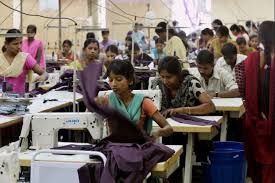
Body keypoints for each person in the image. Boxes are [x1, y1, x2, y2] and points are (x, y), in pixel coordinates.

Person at [235, 21, 275, 183]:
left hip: (255, 121)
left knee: (259, 165)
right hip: (269, 123)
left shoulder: (250, 61)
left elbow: (242, 87)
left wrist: (255, 111)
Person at [96, 60, 173, 139]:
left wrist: (158, 132)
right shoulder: (107, 100)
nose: (113, 84)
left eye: (118, 79)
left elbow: (169, 128)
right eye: (110, 80)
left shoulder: (144, 103)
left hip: (139, 147)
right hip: (115, 147)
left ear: (130, 80)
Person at [0, 29, 48, 94]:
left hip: (21, 100)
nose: (19, 46)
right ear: (6, 44)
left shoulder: (25, 58)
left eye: (20, 43)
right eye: (15, 44)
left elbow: (44, 74)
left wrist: (41, 78)